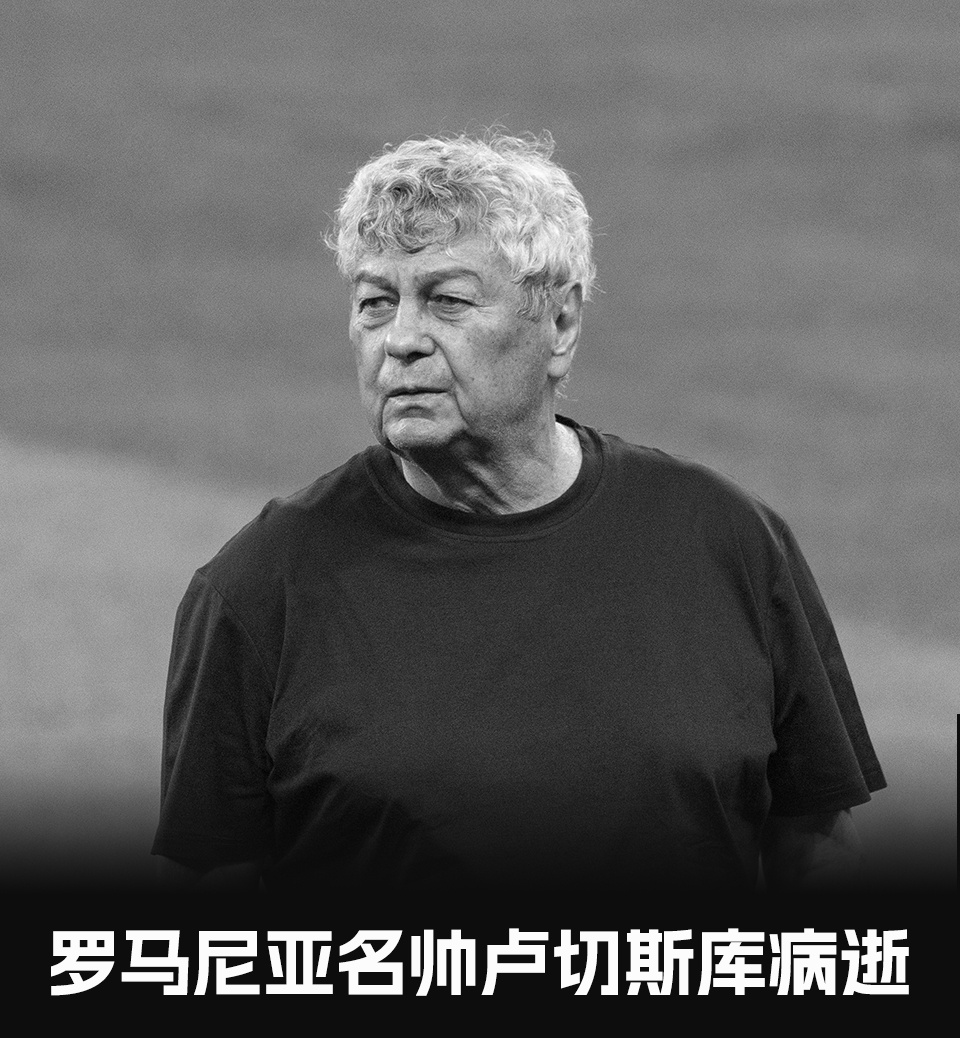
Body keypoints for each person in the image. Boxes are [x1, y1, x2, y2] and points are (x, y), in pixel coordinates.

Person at [153, 132, 885, 893]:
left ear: (560, 324)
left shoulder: (727, 543)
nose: (400, 341)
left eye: (447, 300)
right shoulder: (258, 591)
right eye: (375, 303)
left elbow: (814, 845)